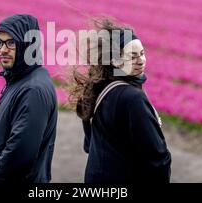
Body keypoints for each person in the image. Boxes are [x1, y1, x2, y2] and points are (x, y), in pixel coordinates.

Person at [69, 19, 171, 183]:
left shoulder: (97, 87)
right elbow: (157, 156)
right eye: (133, 55)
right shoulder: (133, 98)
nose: (141, 61)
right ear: (115, 60)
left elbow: (89, 144)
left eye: (142, 53)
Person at [0, 14, 58, 183]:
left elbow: (19, 153)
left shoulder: (32, 90)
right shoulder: (19, 80)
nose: (3, 50)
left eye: (11, 43)